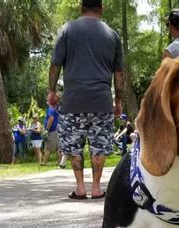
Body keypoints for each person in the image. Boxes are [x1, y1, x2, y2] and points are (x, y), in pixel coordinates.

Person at [48, 0, 124, 200]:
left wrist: (52, 90)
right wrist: (119, 101)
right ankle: (97, 188)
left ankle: (80, 187)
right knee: (99, 146)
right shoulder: (112, 35)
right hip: (101, 101)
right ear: (102, 9)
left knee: (74, 146)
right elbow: (119, 73)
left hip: (73, 101)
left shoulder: (67, 30)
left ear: (81, 9)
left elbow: (55, 64)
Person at [42, 100, 61, 166]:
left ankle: (44, 162)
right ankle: (60, 162)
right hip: (57, 130)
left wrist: (47, 129)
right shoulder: (56, 108)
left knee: (48, 148)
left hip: (52, 131)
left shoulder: (50, 108)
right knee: (58, 148)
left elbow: (51, 118)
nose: (46, 101)